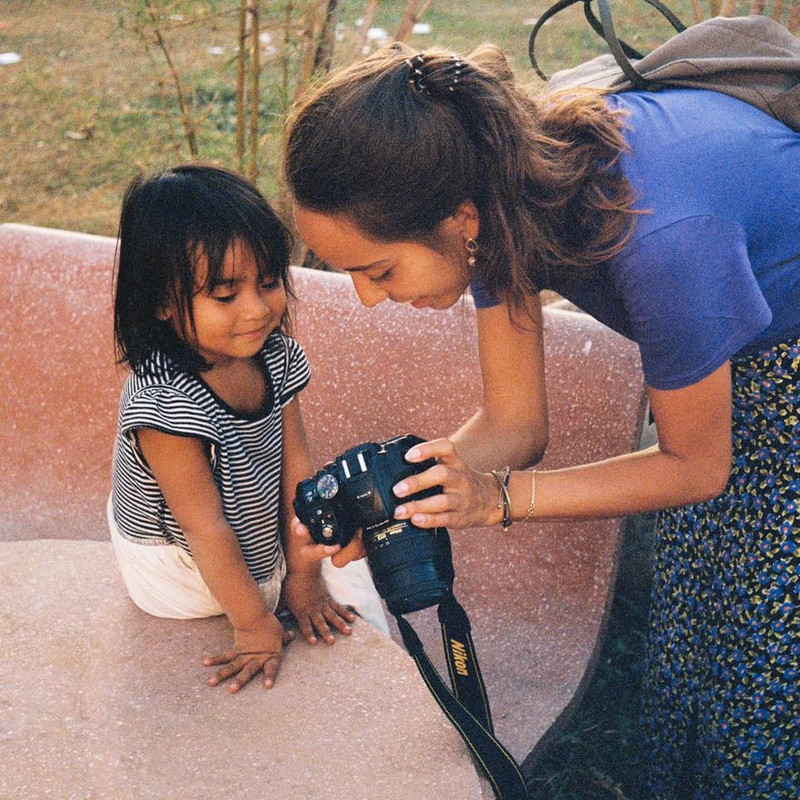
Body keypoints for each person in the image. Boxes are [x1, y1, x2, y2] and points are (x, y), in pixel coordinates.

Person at [283, 43, 800, 799]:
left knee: (767, 647)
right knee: (702, 615)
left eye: (379, 270)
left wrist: (497, 501)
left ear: (455, 220)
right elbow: (517, 423)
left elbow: (695, 465)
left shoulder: (662, 236)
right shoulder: (493, 200)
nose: (365, 298)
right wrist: (400, 499)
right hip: (740, 354)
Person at [109, 163, 388, 694]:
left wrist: (305, 575)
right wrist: (254, 624)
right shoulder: (164, 405)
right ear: (163, 302)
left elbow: (297, 467)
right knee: (267, 591)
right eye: (225, 294)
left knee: (346, 567)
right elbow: (203, 526)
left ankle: (389, 694)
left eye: (268, 282)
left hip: (242, 510)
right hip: (176, 559)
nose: (258, 310)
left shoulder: (273, 356)